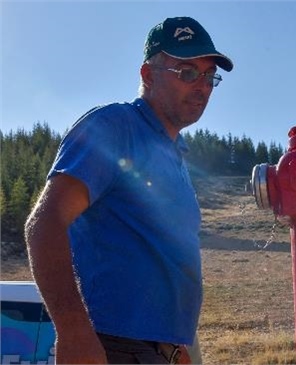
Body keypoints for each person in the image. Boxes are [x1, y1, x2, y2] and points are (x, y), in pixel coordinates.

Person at [24, 16, 233, 364]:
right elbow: (43, 226)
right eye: (187, 73)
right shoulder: (115, 126)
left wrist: (176, 348)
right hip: (113, 347)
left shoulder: (175, 154)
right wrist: (75, 334)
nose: (202, 86)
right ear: (148, 75)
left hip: (159, 351)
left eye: (210, 76)